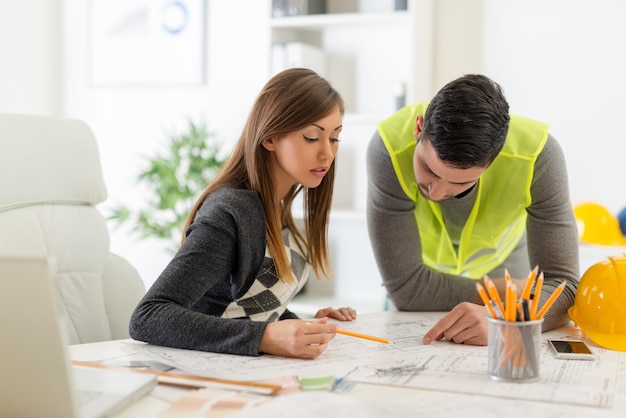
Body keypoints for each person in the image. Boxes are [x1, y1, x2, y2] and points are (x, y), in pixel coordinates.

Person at [130, 68, 356, 359]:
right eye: (312, 137)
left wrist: (302, 325)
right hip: (201, 375)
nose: (327, 153)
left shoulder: (276, 204)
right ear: (270, 137)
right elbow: (148, 317)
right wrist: (265, 337)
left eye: (335, 138)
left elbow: (243, 308)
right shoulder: (229, 214)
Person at [366, 74, 579, 346]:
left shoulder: (540, 157)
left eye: (460, 182)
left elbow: (564, 287)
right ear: (419, 128)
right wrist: (510, 293)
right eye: (429, 169)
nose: (437, 193)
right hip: (424, 274)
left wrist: (504, 320)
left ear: (493, 160)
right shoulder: (388, 149)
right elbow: (407, 290)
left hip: (504, 260)